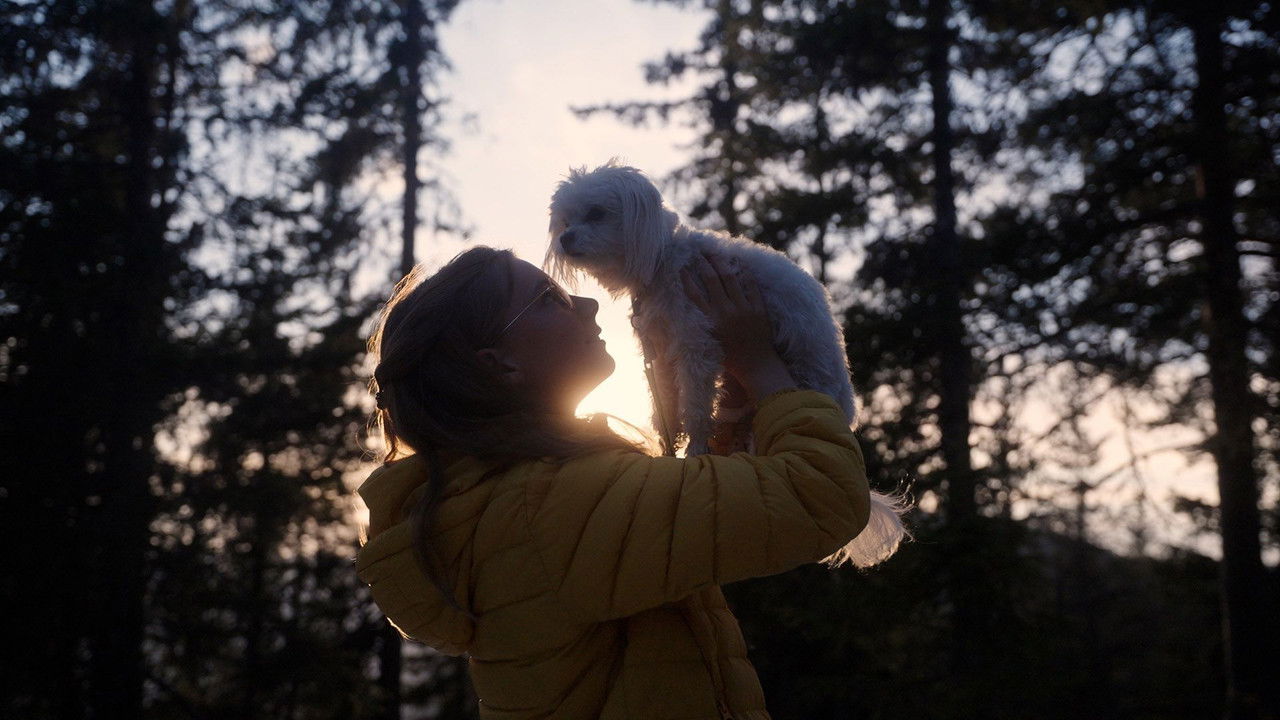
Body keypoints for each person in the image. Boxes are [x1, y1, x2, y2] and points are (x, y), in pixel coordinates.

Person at [358, 245, 874, 720]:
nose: (587, 304)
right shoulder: (553, 505)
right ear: (499, 365)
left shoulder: (500, 502)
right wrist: (758, 361)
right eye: (549, 299)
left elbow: (670, 511)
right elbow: (821, 492)